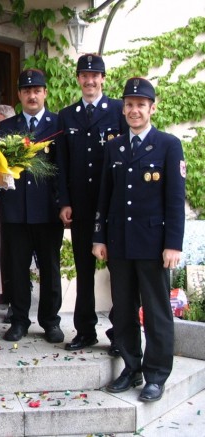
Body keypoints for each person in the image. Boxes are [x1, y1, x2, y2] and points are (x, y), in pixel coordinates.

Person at [93, 77, 185, 402]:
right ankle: (131, 367)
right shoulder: (114, 147)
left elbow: (175, 199)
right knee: (123, 311)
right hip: (119, 243)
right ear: (124, 108)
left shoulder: (168, 145)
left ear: (152, 108)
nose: (134, 110)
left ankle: (156, 376)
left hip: (153, 244)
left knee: (157, 313)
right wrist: (99, 237)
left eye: (141, 105)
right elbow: (105, 196)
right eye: (129, 105)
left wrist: (173, 244)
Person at [57, 54, 127, 353]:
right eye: (84, 75)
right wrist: (64, 201)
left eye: (95, 75)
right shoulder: (67, 115)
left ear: (103, 79)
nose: (89, 80)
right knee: (84, 271)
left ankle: (120, 334)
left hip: (112, 205)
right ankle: (85, 331)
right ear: (78, 79)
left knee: (119, 272)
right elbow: (61, 163)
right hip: (82, 205)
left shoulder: (119, 110)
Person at [0, 69, 64, 344]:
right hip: (15, 211)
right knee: (17, 269)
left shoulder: (58, 123)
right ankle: (19, 320)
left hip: (48, 210)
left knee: (50, 269)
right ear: (19, 95)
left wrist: (63, 203)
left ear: (45, 92)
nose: (32, 95)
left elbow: (63, 168)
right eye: (27, 91)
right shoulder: (6, 127)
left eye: (37, 90)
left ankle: (50, 321)